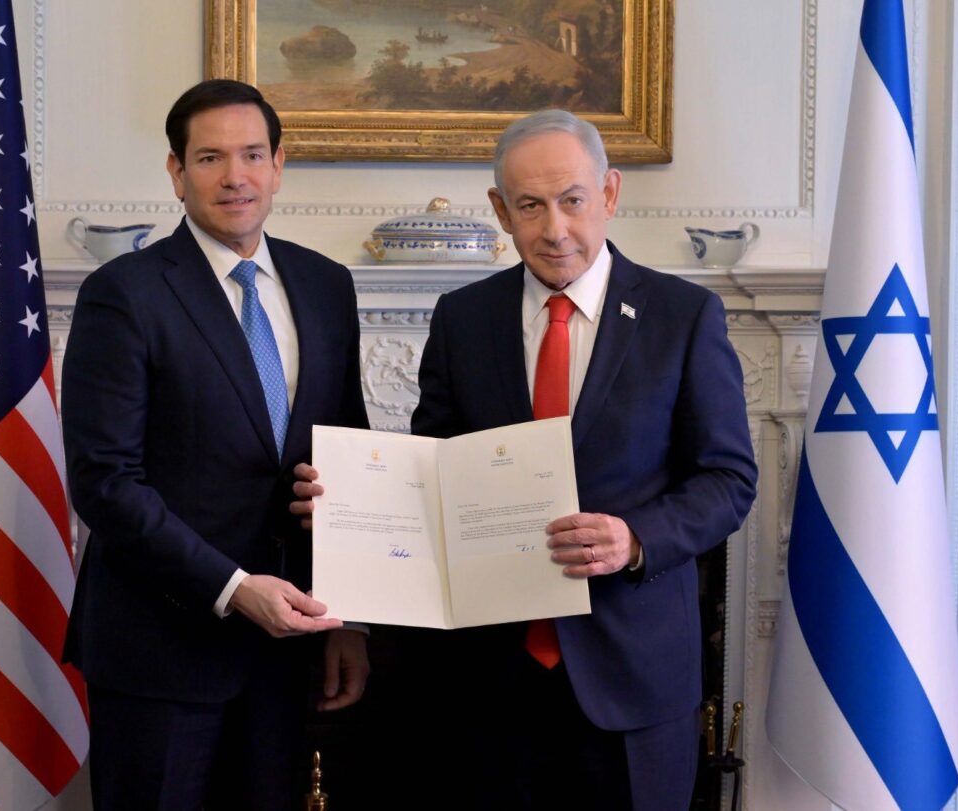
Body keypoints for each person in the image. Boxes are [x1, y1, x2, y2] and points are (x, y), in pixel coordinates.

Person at [295, 109, 757, 810]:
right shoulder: (463, 316)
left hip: (633, 675)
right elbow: (433, 474)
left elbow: (729, 479)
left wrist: (636, 539)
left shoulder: (683, 315)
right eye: (530, 206)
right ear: (499, 210)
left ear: (608, 194)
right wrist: (349, 501)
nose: (554, 228)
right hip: (487, 680)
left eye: (572, 200)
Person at [60, 79, 370, 811]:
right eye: (210, 157)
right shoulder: (124, 293)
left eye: (252, 154)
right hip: (160, 651)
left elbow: (347, 457)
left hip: (287, 655)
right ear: (176, 171)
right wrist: (233, 589)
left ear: (279, 163)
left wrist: (350, 618)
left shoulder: (328, 285)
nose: (235, 176)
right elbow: (105, 481)